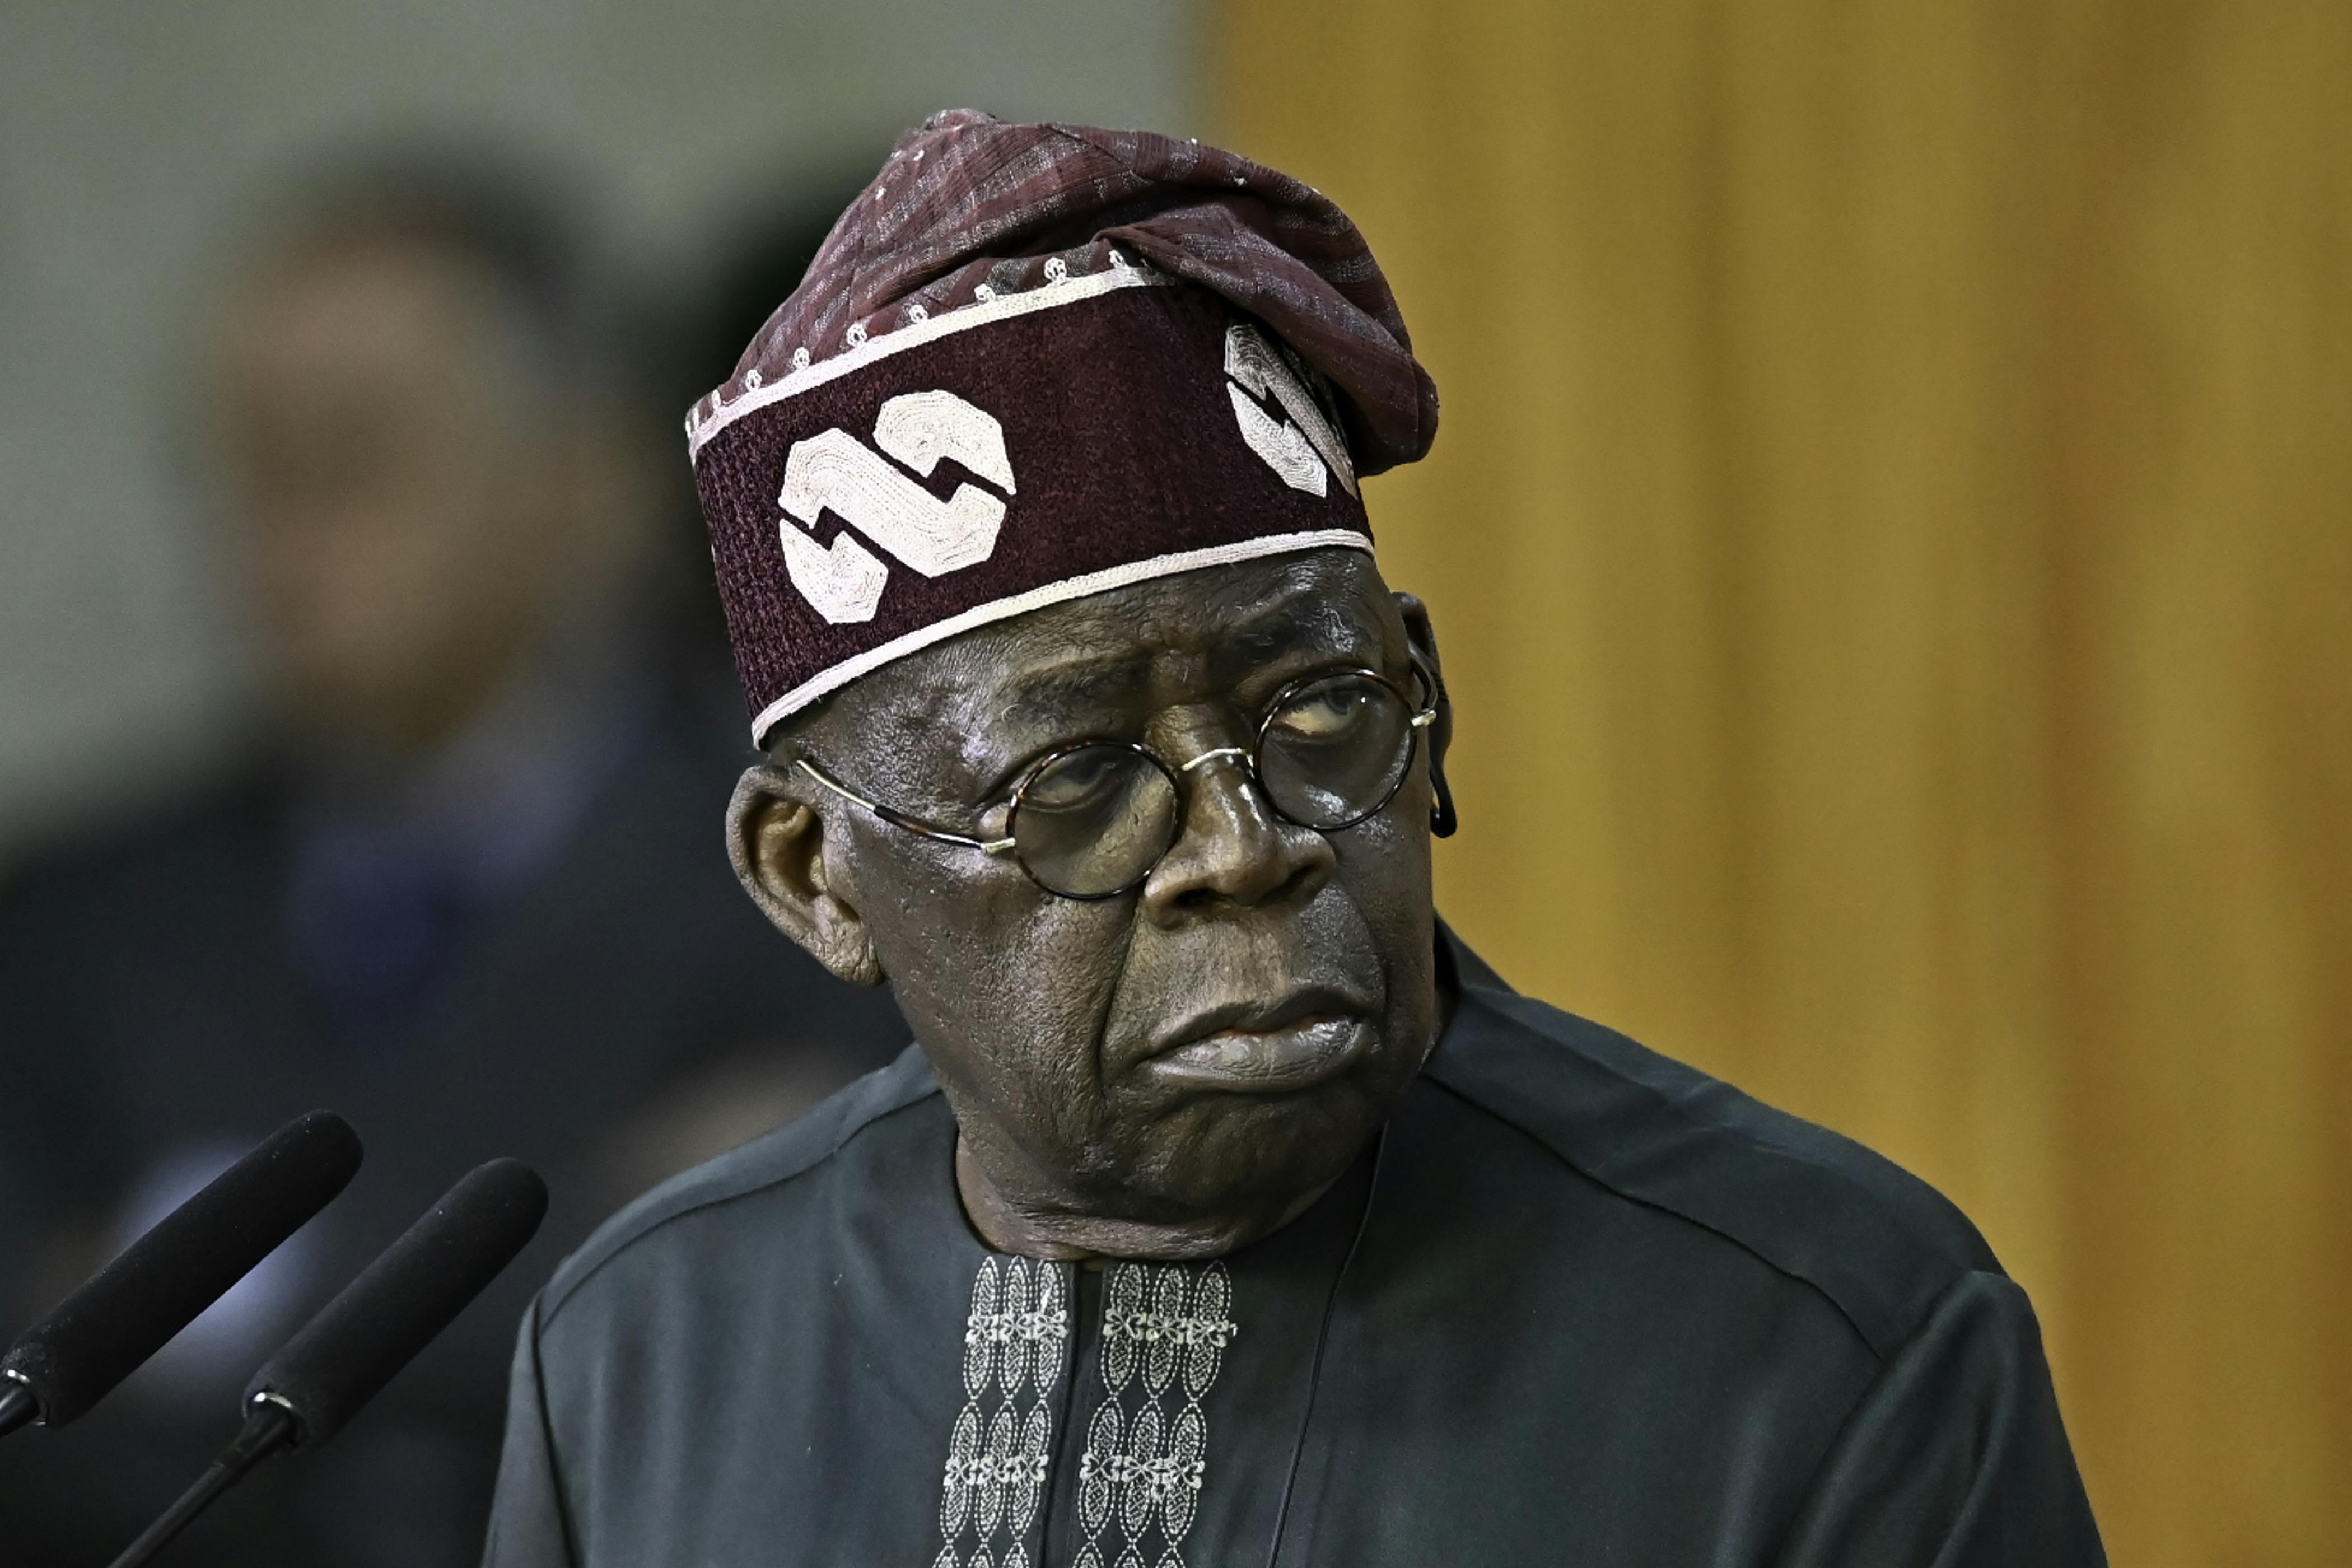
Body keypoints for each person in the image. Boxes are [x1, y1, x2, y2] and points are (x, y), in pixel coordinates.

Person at [481, 112, 2106, 1567]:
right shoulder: (647, 1356)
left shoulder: (1822, 1340)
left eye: (1321, 714)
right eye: (1081, 782)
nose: (1244, 848)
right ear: (809, 874)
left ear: (1434, 714)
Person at [0, 153, 906, 1567]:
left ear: (584, 478)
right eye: (248, 465)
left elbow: (832, 1320)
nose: (283, 536)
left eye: (355, 457)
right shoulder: (69, 922)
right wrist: (606, 1201)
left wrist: (194, 1267)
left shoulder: (829, 872)